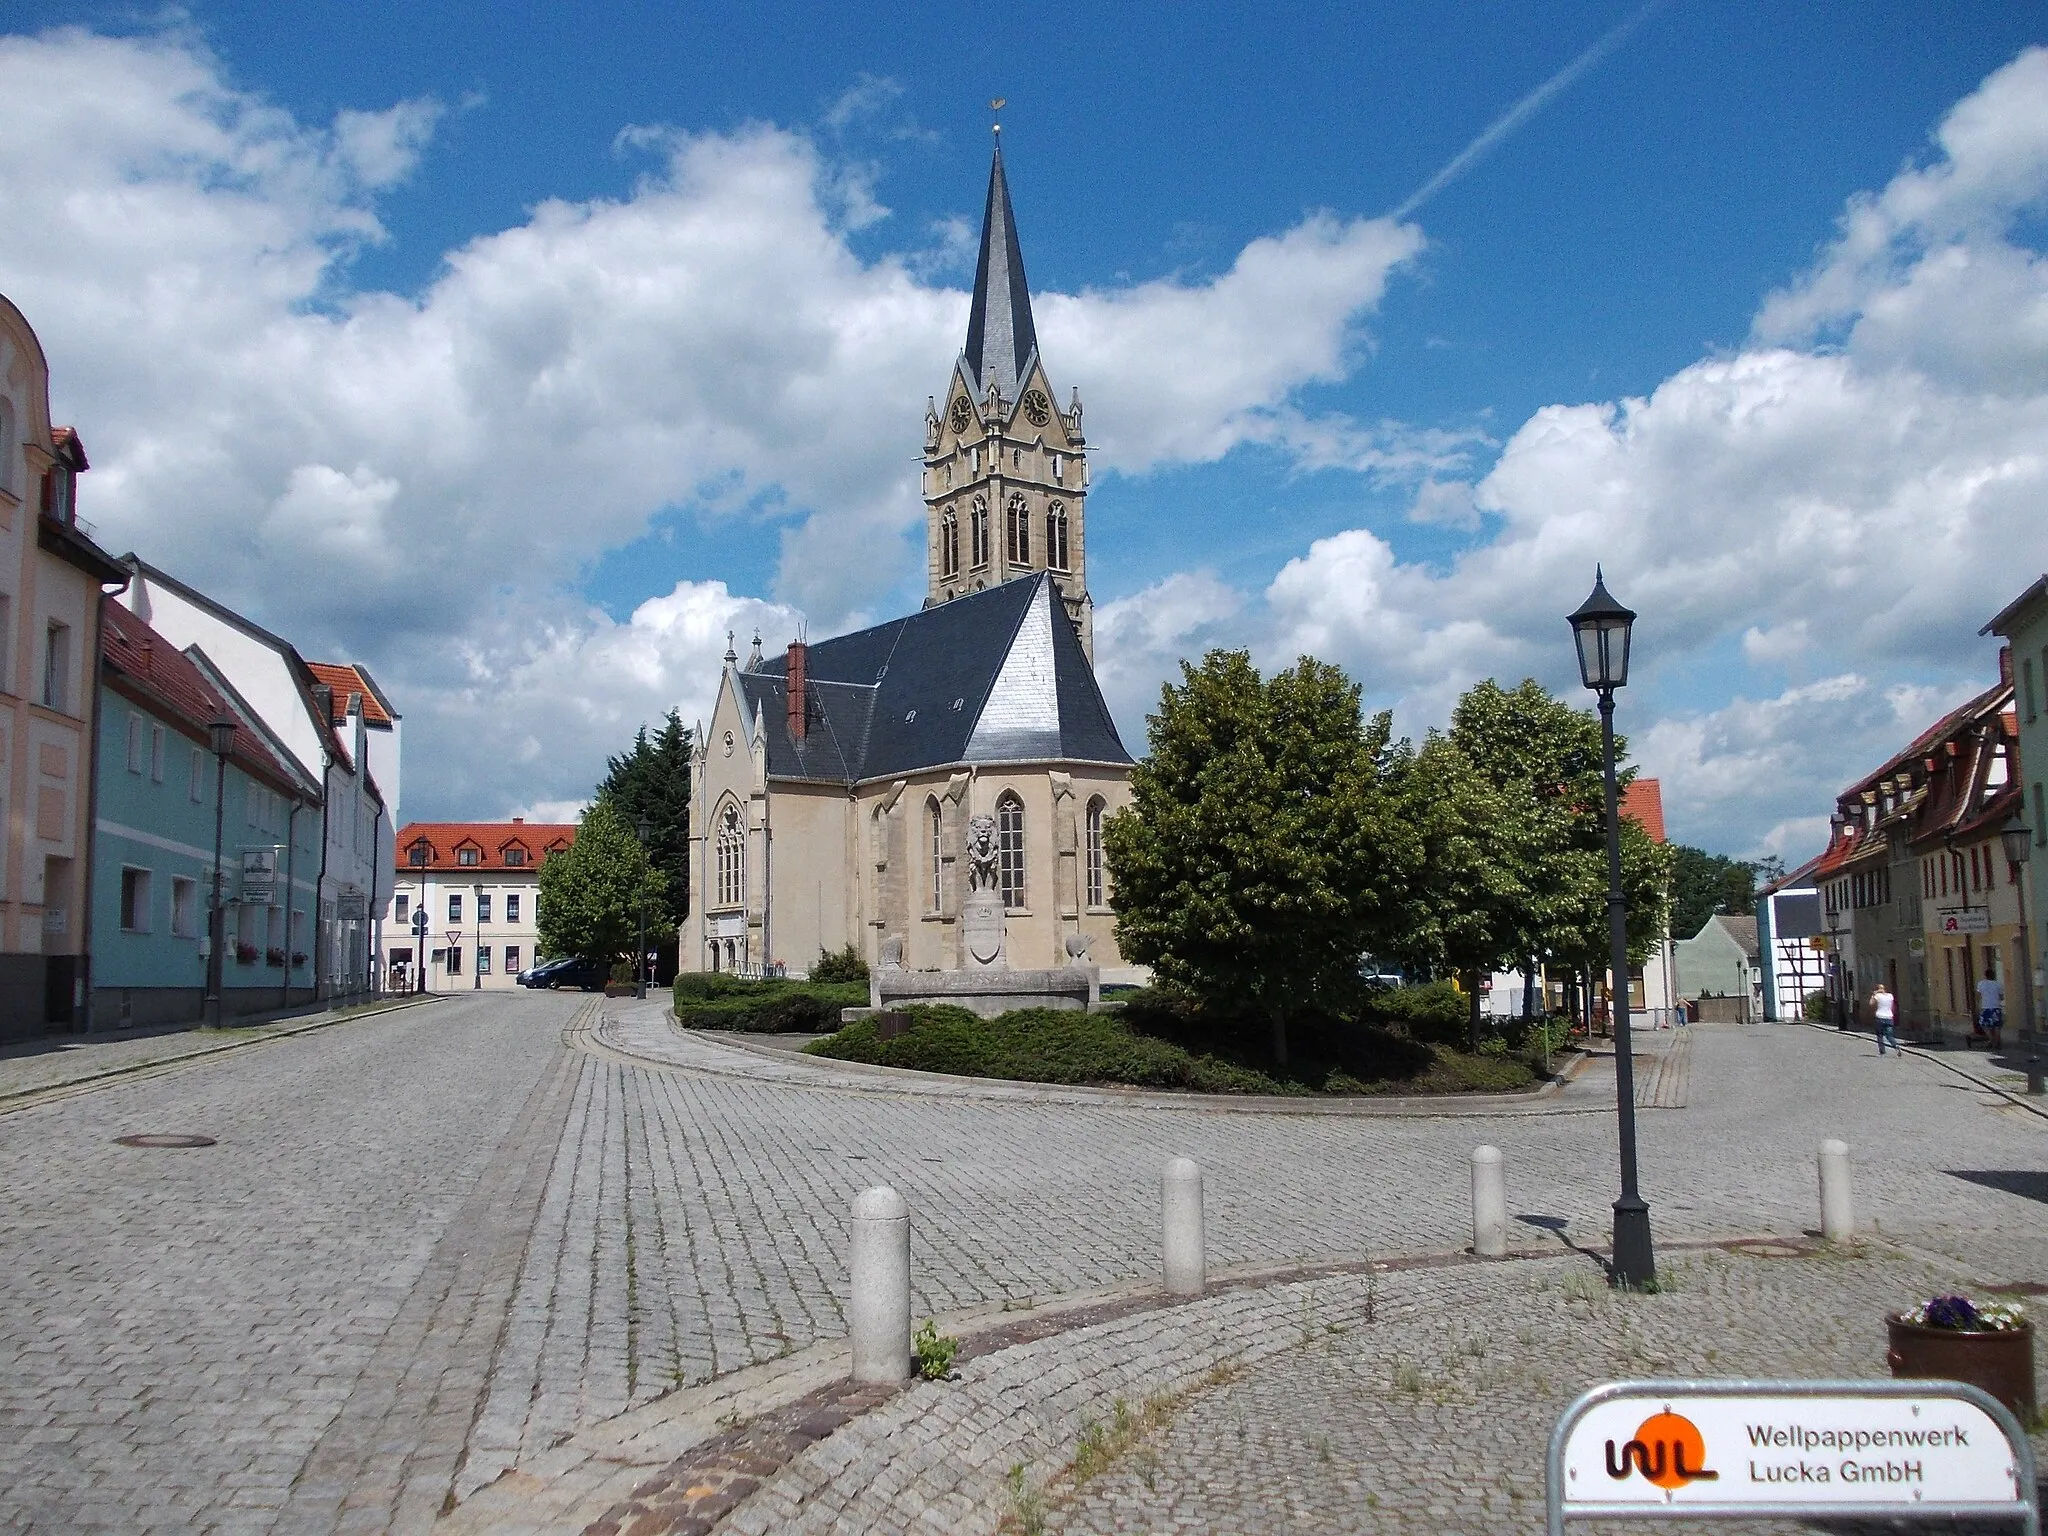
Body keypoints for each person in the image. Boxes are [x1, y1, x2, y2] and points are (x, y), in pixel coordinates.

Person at [1977, 967, 2005, 1052]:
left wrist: (1979, 1005)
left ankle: (1991, 1039)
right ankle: (1996, 1042)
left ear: (1985, 975)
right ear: (1994, 975)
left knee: (1984, 1025)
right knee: (1997, 1026)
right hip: (1996, 1007)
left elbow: (1978, 995)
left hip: (1986, 1007)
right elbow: (2001, 997)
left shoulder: (1981, 984)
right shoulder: (1998, 984)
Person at [1869, 980, 1898, 1056]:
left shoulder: (1877, 996)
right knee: (1889, 1035)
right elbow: (1891, 1006)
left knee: (1880, 1035)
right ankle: (1896, 1046)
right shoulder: (1890, 996)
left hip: (1880, 1017)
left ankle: (1882, 1051)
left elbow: (1871, 1003)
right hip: (1889, 1017)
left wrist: (1873, 995)